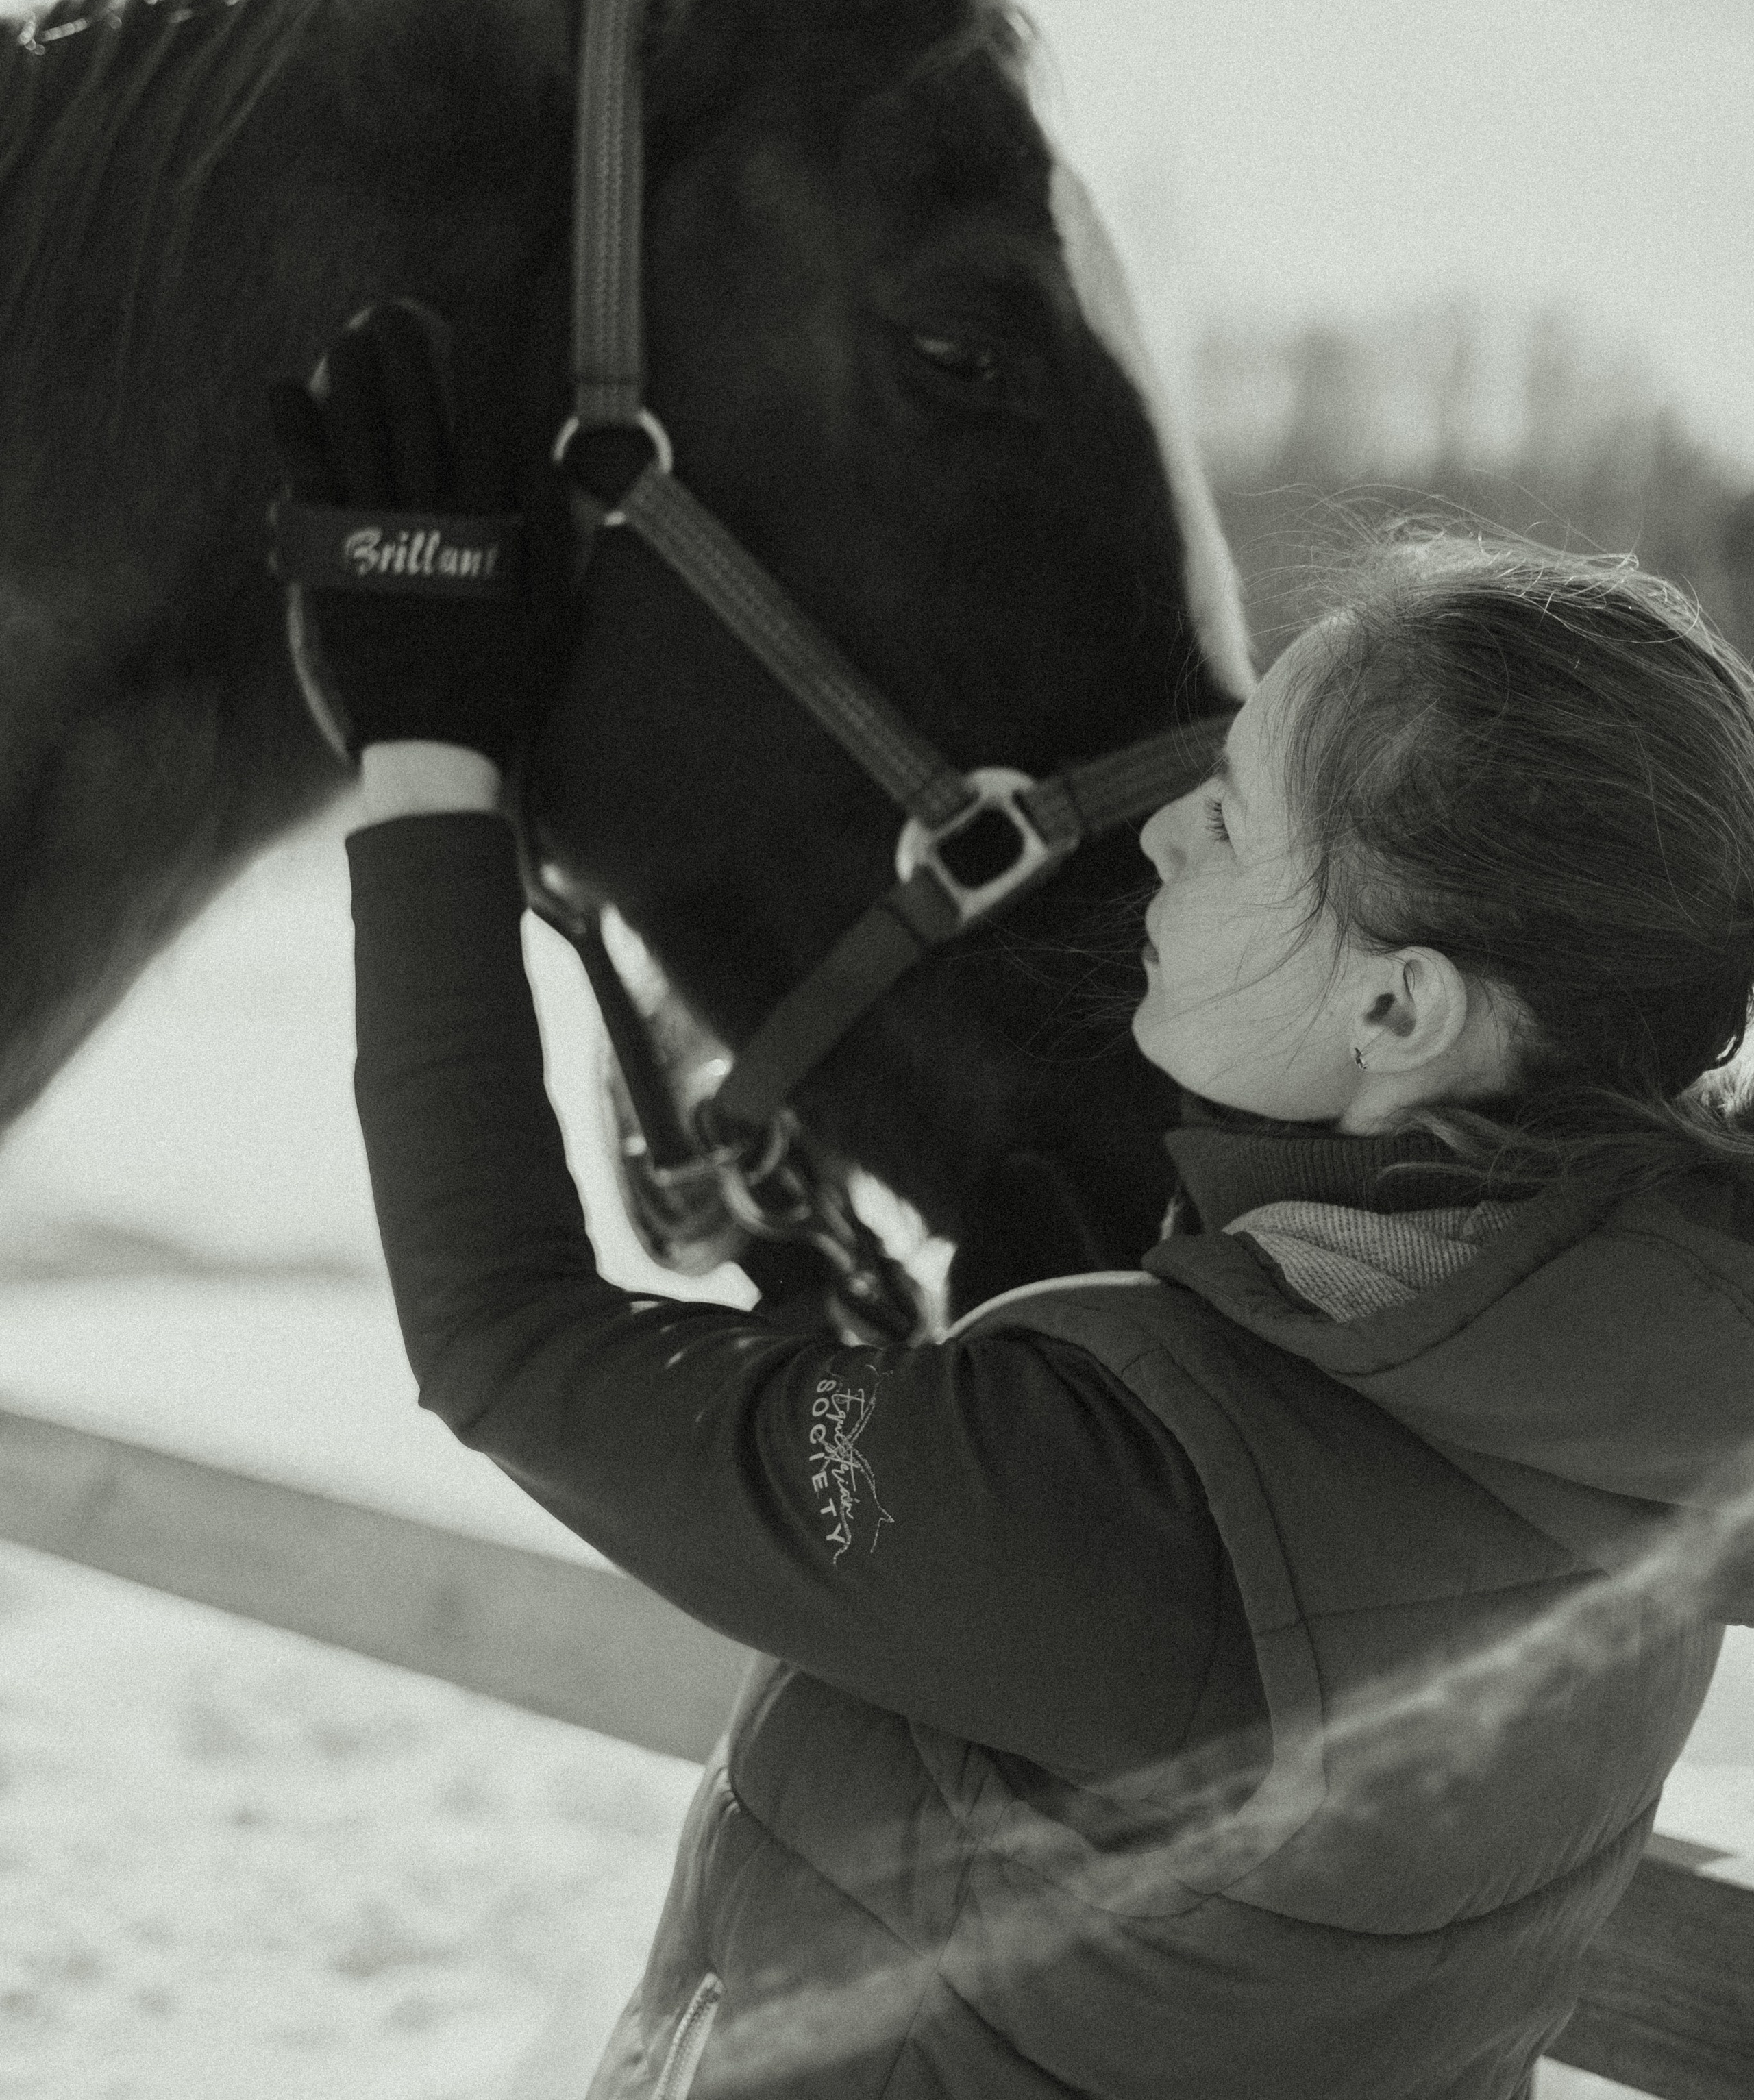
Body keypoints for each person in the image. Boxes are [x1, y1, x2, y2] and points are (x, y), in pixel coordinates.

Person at [271, 306, 1754, 2100]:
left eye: (1238, 814)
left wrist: (424, 751)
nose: (1160, 837)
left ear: (1398, 1011)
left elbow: (507, 1344)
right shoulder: (1650, 1389)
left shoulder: (1114, 1508)